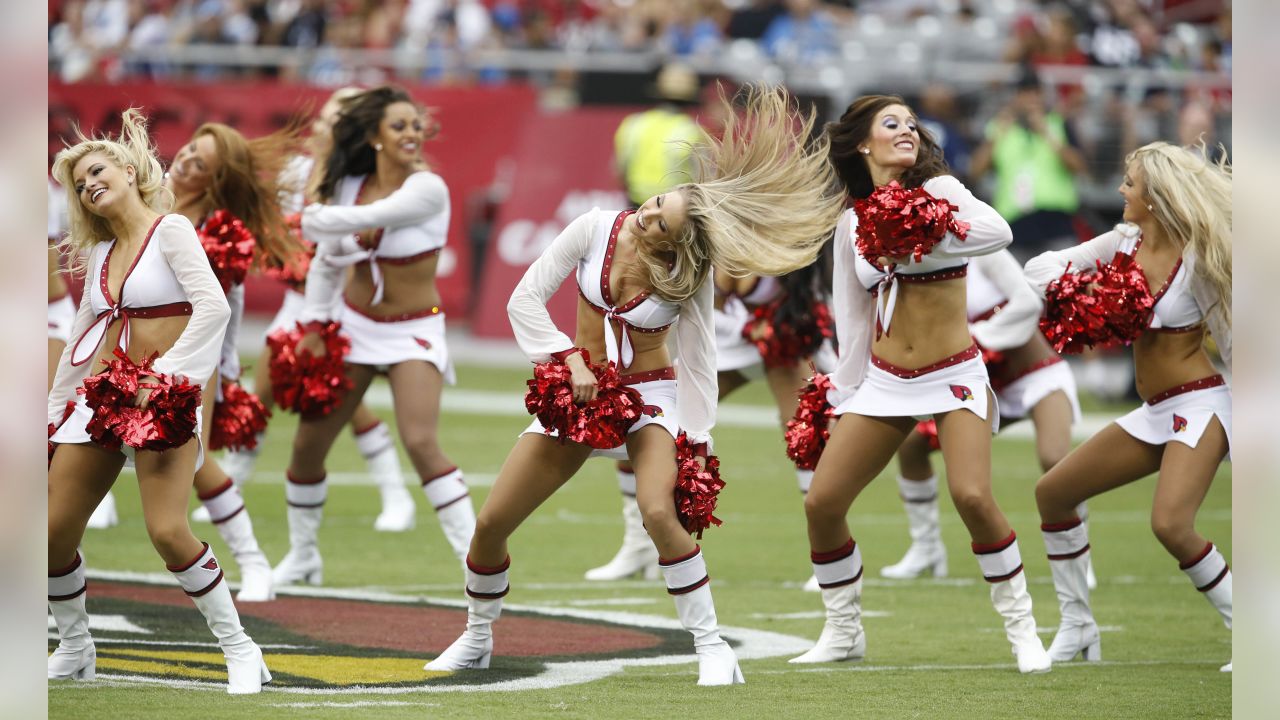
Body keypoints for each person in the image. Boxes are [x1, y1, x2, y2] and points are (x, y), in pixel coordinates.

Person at [425, 86, 845, 685]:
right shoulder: (595, 226)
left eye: (658, 225)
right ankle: (476, 637)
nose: (643, 218)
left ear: (678, 243)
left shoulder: (689, 274)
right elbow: (526, 298)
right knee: (491, 523)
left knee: (657, 510)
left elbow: (699, 362)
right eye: (651, 206)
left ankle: (710, 644)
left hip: (651, 396)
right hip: (581, 394)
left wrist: (695, 439)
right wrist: (569, 359)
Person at [792, 95, 1052, 673]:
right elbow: (852, 318)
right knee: (823, 502)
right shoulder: (851, 222)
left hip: (954, 373)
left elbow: (998, 230)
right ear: (864, 143)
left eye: (912, 124)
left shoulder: (943, 193)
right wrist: (841, 387)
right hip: (885, 380)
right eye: (893, 123)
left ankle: (1023, 631)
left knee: (973, 497)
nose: (907, 130)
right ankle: (843, 630)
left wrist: (921, 230)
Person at [48, 109, 269, 693]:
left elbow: (214, 308)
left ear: (126, 168)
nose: (90, 185)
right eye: (80, 185)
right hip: (105, 398)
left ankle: (241, 648)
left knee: (168, 531)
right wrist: (55, 408)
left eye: (97, 172)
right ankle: (75, 645)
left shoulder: (170, 230)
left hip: (164, 398)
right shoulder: (99, 256)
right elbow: (83, 340)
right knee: (47, 532)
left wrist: (167, 375)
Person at [1025, 141, 1232, 671]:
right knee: (1054, 494)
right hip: (1155, 412)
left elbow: (1235, 344)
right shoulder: (1122, 243)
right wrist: (1083, 292)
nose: (1121, 189)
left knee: (1171, 524)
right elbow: (1040, 269)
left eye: (1131, 182)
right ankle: (1077, 626)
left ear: (1157, 196)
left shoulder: (1199, 259)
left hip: (1202, 405)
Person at [273, 85, 476, 586]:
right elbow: (325, 260)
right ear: (374, 136)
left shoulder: (429, 187)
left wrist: (314, 218)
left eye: (416, 125)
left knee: (422, 441)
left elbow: (371, 220)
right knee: (306, 446)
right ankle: (302, 556)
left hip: (413, 329)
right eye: (398, 125)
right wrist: (316, 324)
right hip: (353, 325)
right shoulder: (349, 184)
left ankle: (477, 562)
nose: (412, 134)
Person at [219, 87, 420, 534]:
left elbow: (355, 247)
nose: (325, 125)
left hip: (341, 301)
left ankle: (395, 495)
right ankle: (231, 486)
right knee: (270, 394)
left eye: (336, 119)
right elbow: (281, 234)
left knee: (337, 400)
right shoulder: (297, 169)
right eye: (326, 116)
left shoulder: (360, 179)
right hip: (300, 298)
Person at [584, 263, 831, 584]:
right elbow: (696, 312)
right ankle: (639, 547)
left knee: (803, 434)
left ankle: (825, 557)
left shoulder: (785, 238)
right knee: (647, 418)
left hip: (785, 341)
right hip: (726, 345)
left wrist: (781, 330)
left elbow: (818, 305)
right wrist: (745, 330)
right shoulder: (714, 239)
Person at [160, 120, 310, 602]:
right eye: (187, 150)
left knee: (195, 461)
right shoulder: (143, 200)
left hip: (189, 356)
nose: (184, 161)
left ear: (216, 180)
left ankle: (252, 562)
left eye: (200, 162)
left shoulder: (221, 231)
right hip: (128, 349)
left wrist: (224, 370)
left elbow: (229, 304)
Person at [882, 249, 1093, 589]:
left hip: (1037, 375)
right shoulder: (912, 266)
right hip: (985, 384)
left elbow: (1027, 302)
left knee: (1055, 459)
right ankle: (927, 549)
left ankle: (1079, 557)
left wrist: (979, 337)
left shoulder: (980, 248)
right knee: (911, 444)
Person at [969, 66, 1086, 260]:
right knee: (1018, 288)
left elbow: (1079, 167)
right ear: (1015, 97)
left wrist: (1048, 134)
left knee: (1063, 285)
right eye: (1025, 93)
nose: (1031, 98)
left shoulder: (1059, 123)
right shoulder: (999, 127)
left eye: (1036, 92)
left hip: (1056, 220)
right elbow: (975, 171)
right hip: (1015, 223)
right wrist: (996, 135)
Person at [613, 62, 703, 209]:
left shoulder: (633, 124)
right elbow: (702, 180)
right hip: (674, 211)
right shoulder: (693, 131)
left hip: (636, 207)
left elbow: (620, 170)